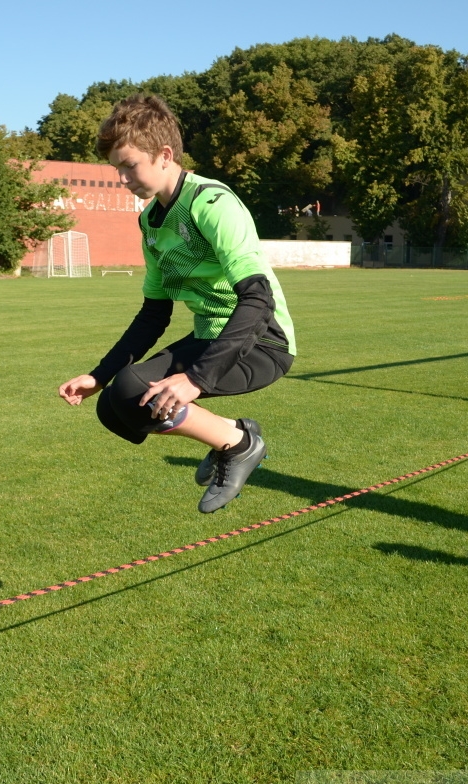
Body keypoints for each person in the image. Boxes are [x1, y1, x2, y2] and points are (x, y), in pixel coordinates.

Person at [58, 95, 296, 513]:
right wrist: (98, 375)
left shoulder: (212, 203)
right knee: (114, 407)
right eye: (116, 169)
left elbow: (259, 299)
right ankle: (233, 434)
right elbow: (154, 314)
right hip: (209, 337)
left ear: (165, 155)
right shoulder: (150, 221)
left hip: (262, 341)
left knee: (133, 390)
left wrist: (196, 380)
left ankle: (238, 445)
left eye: (129, 165)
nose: (123, 178)